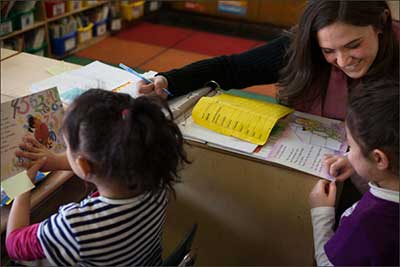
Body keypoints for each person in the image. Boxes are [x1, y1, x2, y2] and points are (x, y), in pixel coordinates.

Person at [7, 89, 190, 266]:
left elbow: (14, 245)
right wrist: (56, 161)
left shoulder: (75, 227)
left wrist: (21, 186)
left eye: (68, 147)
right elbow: (103, 162)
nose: (66, 152)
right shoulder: (154, 177)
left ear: (84, 165)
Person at [138, 0, 399, 122]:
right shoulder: (302, 48)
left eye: (354, 45)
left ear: (381, 23)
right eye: (328, 50)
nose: (342, 61)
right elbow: (231, 68)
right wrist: (169, 80)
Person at [308, 79, 399, 266]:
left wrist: (321, 213)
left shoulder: (367, 225)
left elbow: (327, 264)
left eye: (351, 144)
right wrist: (358, 160)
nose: (348, 152)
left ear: (379, 159)